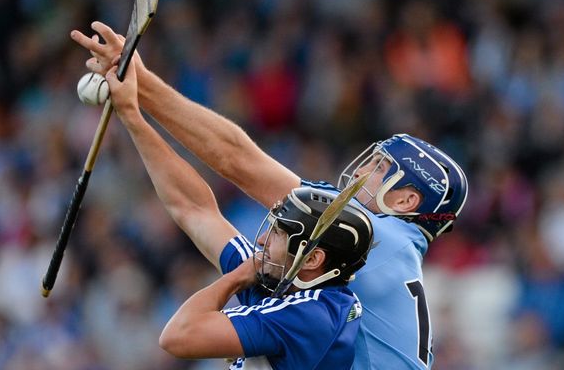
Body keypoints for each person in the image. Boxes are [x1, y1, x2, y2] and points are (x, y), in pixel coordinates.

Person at [72, 21, 469, 369]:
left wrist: (143, 85)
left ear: (405, 202)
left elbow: (237, 160)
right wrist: (132, 114)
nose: (362, 170)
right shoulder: (327, 271)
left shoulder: (374, 237)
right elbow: (195, 209)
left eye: (381, 169)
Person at [103, 61, 375, 369]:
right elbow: (194, 209)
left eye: (278, 234)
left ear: (312, 259)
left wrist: (234, 279)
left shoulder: (310, 316)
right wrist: (132, 116)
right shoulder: (287, 282)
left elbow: (178, 335)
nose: (261, 239)